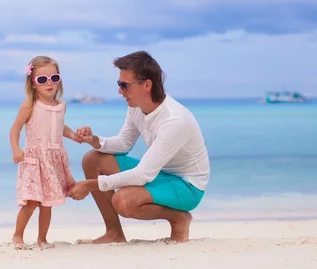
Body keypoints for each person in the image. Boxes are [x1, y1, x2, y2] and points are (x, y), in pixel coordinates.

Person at [67, 51, 210, 243]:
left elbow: (143, 175)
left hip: (188, 186)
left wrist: (90, 185)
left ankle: (179, 218)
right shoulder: (136, 107)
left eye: (124, 85)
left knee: (123, 201)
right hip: (160, 174)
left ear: (147, 85)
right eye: (119, 84)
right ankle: (114, 233)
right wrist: (94, 140)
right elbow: (124, 144)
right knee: (92, 159)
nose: (120, 91)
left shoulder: (174, 120)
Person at [9, 56, 80, 249]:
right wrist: (16, 149)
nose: (49, 83)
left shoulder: (60, 106)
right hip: (34, 159)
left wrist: (74, 135)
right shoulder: (29, 106)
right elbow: (15, 129)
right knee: (31, 202)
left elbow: (59, 127)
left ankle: (42, 239)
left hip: (53, 159)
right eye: (42, 80)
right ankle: (18, 236)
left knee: (47, 203)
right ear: (33, 84)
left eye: (54, 78)